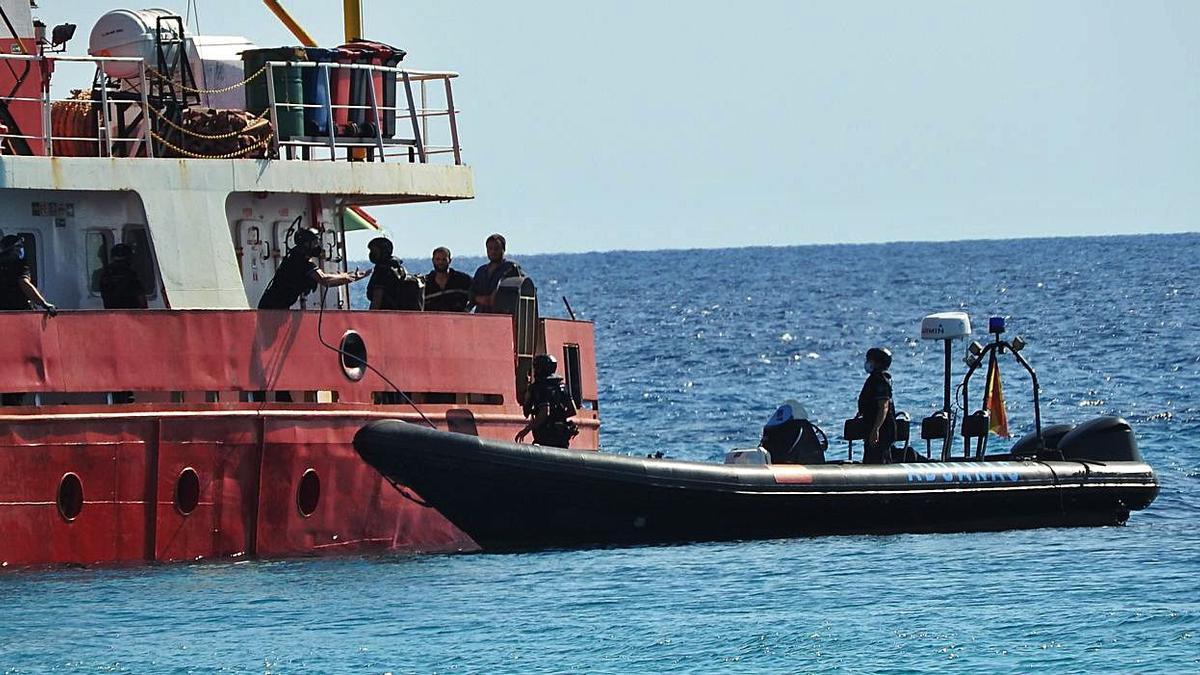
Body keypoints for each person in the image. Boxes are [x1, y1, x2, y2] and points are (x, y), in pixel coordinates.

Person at [258, 227, 366, 310]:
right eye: (314, 242)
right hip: (272, 307)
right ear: (305, 244)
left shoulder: (295, 257)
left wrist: (345, 276)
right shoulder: (300, 262)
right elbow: (324, 279)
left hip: (274, 306)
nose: (317, 246)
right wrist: (349, 277)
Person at [515, 354, 578, 448]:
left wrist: (527, 429)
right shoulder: (562, 386)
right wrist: (557, 416)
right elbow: (572, 410)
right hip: (561, 437)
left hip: (545, 437)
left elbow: (544, 412)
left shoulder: (540, 387)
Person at [0, 234, 55, 316]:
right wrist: (44, 303)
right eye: (19, 246)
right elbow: (24, 283)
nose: (21, 249)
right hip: (18, 312)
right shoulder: (19, 264)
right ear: (13, 249)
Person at [858, 347, 896, 464]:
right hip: (871, 425)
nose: (868, 363)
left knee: (878, 458)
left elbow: (883, 406)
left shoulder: (880, 380)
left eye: (870, 360)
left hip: (882, 429)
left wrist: (876, 429)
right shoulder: (874, 379)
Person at [366, 237, 424, 310]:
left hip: (385, 315)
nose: (371, 254)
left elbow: (377, 298)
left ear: (383, 251)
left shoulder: (382, 270)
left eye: (374, 251)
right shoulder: (399, 268)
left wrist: (371, 317)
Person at [469, 233, 522, 313]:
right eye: (490, 248)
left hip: (502, 315)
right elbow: (471, 292)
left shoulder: (511, 268)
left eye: (496, 248)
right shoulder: (481, 270)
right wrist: (478, 299)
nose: (493, 251)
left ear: (503, 249)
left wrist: (496, 298)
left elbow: (518, 292)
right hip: (481, 315)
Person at [98, 243, 148, 309]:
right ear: (130, 259)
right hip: (133, 313)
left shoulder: (105, 275)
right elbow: (141, 299)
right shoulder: (132, 275)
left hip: (111, 314)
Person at [423, 246, 472, 312]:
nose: (441, 262)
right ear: (433, 260)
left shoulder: (463, 280)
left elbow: (477, 295)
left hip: (457, 320)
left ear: (450, 261)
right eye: (438, 259)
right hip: (432, 320)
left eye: (444, 259)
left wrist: (467, 309)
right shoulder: (425, 282)